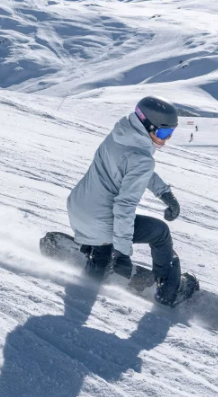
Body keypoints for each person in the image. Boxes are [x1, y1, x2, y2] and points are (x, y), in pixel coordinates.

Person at [66, 95, 196, 306]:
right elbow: (124, 207)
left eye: (171, 132)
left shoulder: (120, 134)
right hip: (100, 223)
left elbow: (133, 170)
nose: (167, 138)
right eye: (164, 132)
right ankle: (170, 291)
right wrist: (123, 253)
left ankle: (97, 262)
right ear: (147, 125)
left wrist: (165, 194)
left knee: (104, 226)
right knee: (160, 233)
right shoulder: (142, 159)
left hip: (77, 210)